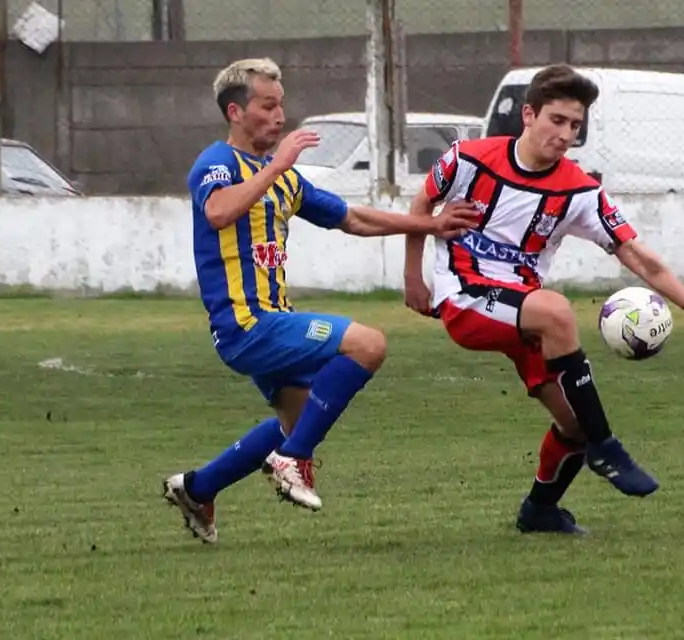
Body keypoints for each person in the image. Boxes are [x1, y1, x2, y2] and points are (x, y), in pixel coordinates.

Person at [403, 64, 684, 535]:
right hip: (465, 298)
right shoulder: (468, 160)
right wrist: (413, 279)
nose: (565, 134)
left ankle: (541, 508)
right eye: (557, 120)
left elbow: (637, 256)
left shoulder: (579, 191)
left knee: (572, 422)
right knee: (557, 310)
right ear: (528, 114)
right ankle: (608, 446)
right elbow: (421, 207)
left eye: (575, 126)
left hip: (524, 314)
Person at [163, 57, 478, 543]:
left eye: (281, 105)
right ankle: (293, 461)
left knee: (297, 420)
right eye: (267, 106)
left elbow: (352, 218)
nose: (279, 116)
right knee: (368, 345)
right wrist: (279, 166)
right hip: (247, 323)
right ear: (235, 112)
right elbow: (220, 212)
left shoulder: (282, 178)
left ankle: (199, 488)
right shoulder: (216, 164)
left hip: (270, 322)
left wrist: (430, 224)